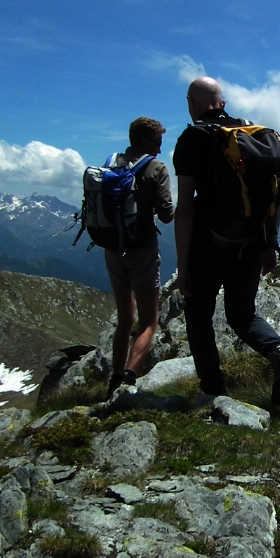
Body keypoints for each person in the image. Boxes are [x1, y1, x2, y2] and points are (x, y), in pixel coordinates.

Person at [173, 76, 280, 404]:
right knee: (242, 314)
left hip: (209, 244)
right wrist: (270, 245)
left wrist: (182, 265)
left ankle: (214, 391)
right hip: (254, 240)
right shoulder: (255, 135)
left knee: (199, 316)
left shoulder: (193, 138)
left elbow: (185, 207)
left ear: (191, 103)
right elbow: (272, 197)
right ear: (223, 103)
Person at [105, 116, 174, 392]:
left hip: (112, 247)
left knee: (125, 320)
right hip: (142, 250)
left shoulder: (111, 163)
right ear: (145, 141)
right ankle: (129, 376)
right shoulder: (156, 168)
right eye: (157, 142)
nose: (159, 148)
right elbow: (167, 215)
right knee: (148, 322)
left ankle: (113, 378)